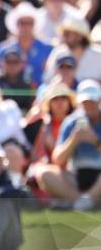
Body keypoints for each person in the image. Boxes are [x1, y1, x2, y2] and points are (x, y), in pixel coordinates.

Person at [35, 80, 101, 211]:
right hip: (76, 176)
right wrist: (73, 140)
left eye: (92, 102)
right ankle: (85, 202)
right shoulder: (71, 122)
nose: (89, 106)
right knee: (43, 173)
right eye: (85, 102)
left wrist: (95, 141)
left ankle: (83, 202)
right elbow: (58, 161)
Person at [0, 2, 52, 89]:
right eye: (22, 23)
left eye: (29, 23)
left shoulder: (47, 48)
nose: (26, 27)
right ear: (16, 24)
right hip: (10, 92)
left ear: (34, 25)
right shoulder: (3, 49)